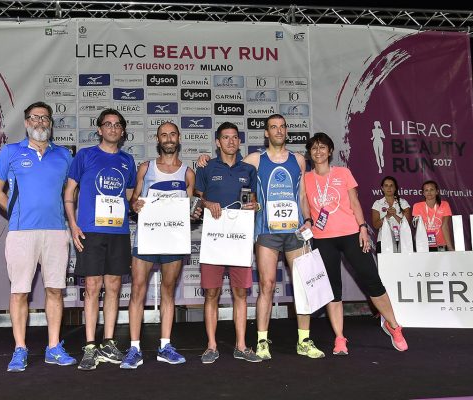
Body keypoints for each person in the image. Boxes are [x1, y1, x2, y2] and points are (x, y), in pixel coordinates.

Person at [0, 101, 76, 372]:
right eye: (35, 118)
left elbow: (70, 194)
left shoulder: (63, 155)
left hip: (55, 232)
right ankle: (20, 349)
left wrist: (70, 222)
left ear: (50, 123)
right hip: (21, 232)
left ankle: (53, 348)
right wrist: (16, 210)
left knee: (55, 290)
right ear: (26, 122)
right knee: (19, 292)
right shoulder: (10, 152)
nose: (40, 122)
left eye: (45, 118)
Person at [303, 132, 408, 355]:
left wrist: (362, 227)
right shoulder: (306, 178)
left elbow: (354, 202)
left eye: (323, 148)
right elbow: (305, 204)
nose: (318, 152)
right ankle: (340, 338)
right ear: (309, 153)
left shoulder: (343, 173)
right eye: (314, 148)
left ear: (330, 151)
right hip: (323, 239)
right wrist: (307, 221)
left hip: (351, 234)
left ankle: (394, 326)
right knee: (333, 290)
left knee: (372, 280)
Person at [242, 114, 325, 360]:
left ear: (286, 131)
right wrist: (205, 162)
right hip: (267, 232)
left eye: (282, 127)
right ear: (266, 133)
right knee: (266, 285)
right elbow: (233, 172)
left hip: (295, 232)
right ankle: (262, 341)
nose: (279, 131)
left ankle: (304, 340)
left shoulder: (299, 160)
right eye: (273, 128)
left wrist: (308, 220)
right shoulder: (256, 159)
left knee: (302, 286)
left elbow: (301, 196)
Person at [64, 108, 137, 371]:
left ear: (123, 130)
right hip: (90, 232)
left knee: (114, 287)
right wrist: (73, 225)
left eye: (118, 125)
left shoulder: (128, 161)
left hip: (118, 232)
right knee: (93, 286)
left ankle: (108, 342)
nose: (113, 128)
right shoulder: (85, 155)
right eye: (108, 124)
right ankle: (90, 345)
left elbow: (129, 198)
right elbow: (69, 193)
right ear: (99, 129)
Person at [120, 122, 194, 369]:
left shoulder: (187, 173)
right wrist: (135, 206)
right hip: (147, 238)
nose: (169, 138)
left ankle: (164, 346)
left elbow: (191, 206)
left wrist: (194, 213)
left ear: (179, 137)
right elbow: (133, 202)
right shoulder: (145, 168)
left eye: (173, 134)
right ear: (158, 139)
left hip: (173, 240)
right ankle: (134, 348)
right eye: (164, 134)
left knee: (168, 291)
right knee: (138, 290)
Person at [194, 121, 261, 364]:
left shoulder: (248, 170)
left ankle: (241, 345)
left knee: (240, 293)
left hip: (239, 241)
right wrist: (205, 203)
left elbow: (253, 201)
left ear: (239, 141)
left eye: (234, 137)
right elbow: (197, 200)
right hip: (214, 241)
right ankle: (211, 346)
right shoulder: (207, 167)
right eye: (225, 137)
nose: (230, 141)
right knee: (211, 293)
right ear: (217, 142)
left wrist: (255, 205)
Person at [371, 176, 411, 251]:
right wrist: (387, 216)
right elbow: (376, 225)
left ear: (395, 188)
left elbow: (408, 224)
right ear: (382, 188)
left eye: (391, 185)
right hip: (383, 240)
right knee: (385, 263)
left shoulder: (403, 203)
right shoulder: (377, 203)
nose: (389, 188)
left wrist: (395, 215)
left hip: (402, 239)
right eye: (386, 186)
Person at [412, 180, 454, 251]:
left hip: (441, 245)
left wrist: (449, 247)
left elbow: (445, 226)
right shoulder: (417, 206)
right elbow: (417, 227)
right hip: (423, 245)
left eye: (432, 189)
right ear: (423, 193)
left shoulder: (444, 205)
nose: (429, 192)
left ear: (437, 191)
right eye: (426, 190)